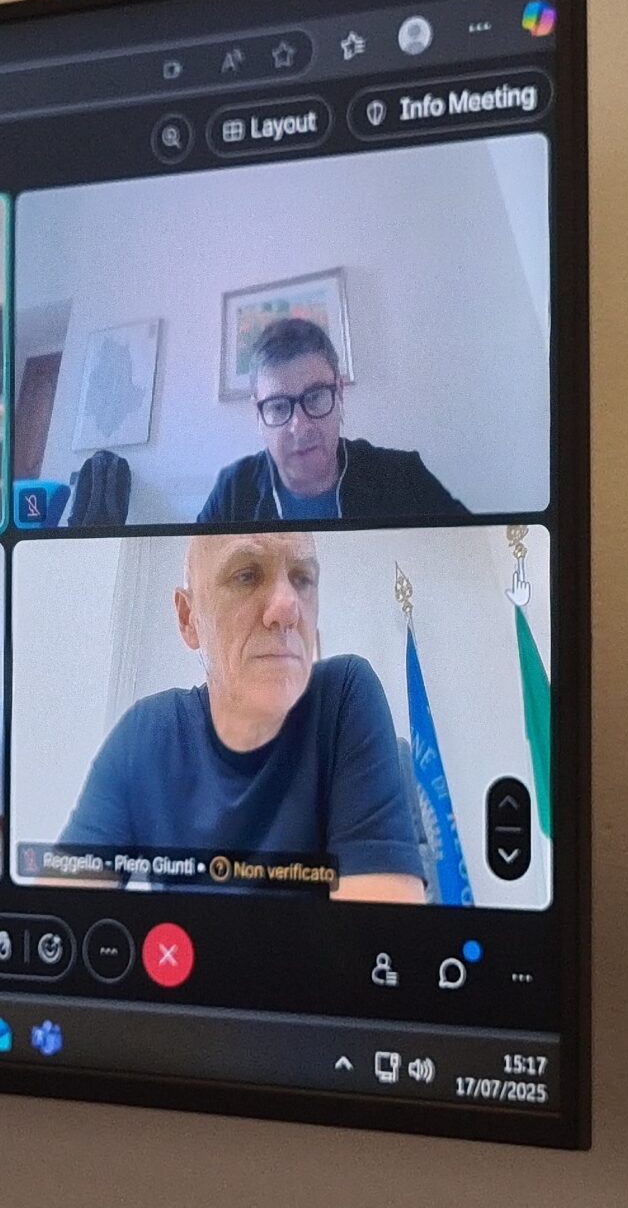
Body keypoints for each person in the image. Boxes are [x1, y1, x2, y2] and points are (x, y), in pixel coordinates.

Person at [59, 532, 426, 902]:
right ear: (188, 618)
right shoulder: (148, 733)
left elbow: (378, 928)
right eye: (246, 575)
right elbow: (60, 911)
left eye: (302, 578)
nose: (289, 608)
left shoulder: (342, 697)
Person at [196, 317, 467, 524]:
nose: (300, 426)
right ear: (258, 415)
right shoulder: (233, 492)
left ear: (339, 393)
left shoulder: (403, 477)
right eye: (278, 407)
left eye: (315, 397)